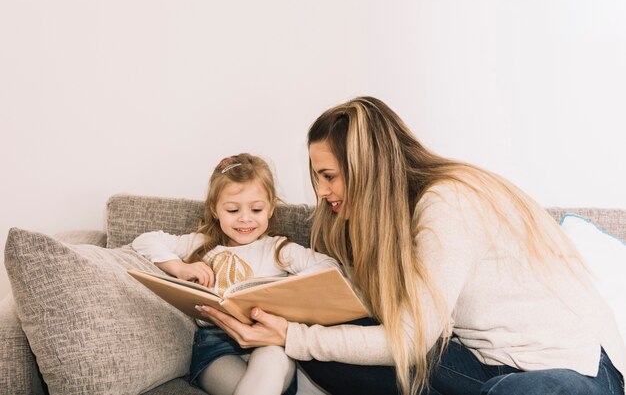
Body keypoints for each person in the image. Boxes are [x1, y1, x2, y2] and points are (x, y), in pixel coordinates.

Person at [197, 97, 626, 395]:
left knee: (516, 391)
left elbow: (410, 340)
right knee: (322, 350)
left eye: (329, 175)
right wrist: (292, 323)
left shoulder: (446, 202)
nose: (322, 191)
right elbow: (406, 326)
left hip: (577, 371)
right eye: (318, 177)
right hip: (481, 362)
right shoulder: (392, 217)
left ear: (365, 167)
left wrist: (292, 334)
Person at [132, 153, 341, 395]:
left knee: (272, 360)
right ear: (215, 209)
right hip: (216, 346)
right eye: (232, 210)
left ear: (271, 208)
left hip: (268, 342)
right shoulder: (202, 245)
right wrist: (180, 268)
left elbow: (330, 266)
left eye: (256, 209)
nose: (245, 219)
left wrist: (288, 290)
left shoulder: (278, 249)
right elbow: (145, 241)